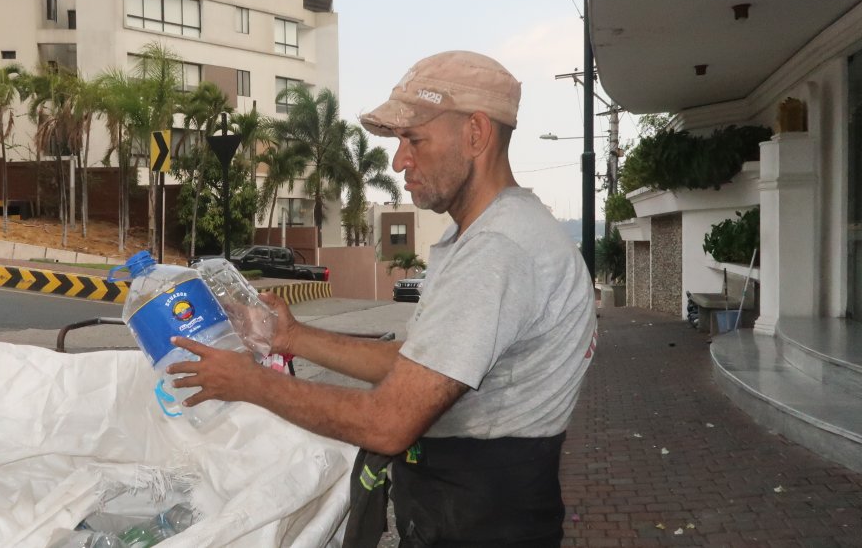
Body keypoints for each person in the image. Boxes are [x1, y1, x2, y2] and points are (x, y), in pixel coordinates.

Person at [169, 50, 597, 547]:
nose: (399, 161)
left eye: (414, 139)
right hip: (475, 508)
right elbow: (422, 364)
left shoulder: (497, 249)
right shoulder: (491, 234)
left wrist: (248, 383)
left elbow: (388, 423)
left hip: (483, 521)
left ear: (476, 133)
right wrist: (292, 336)